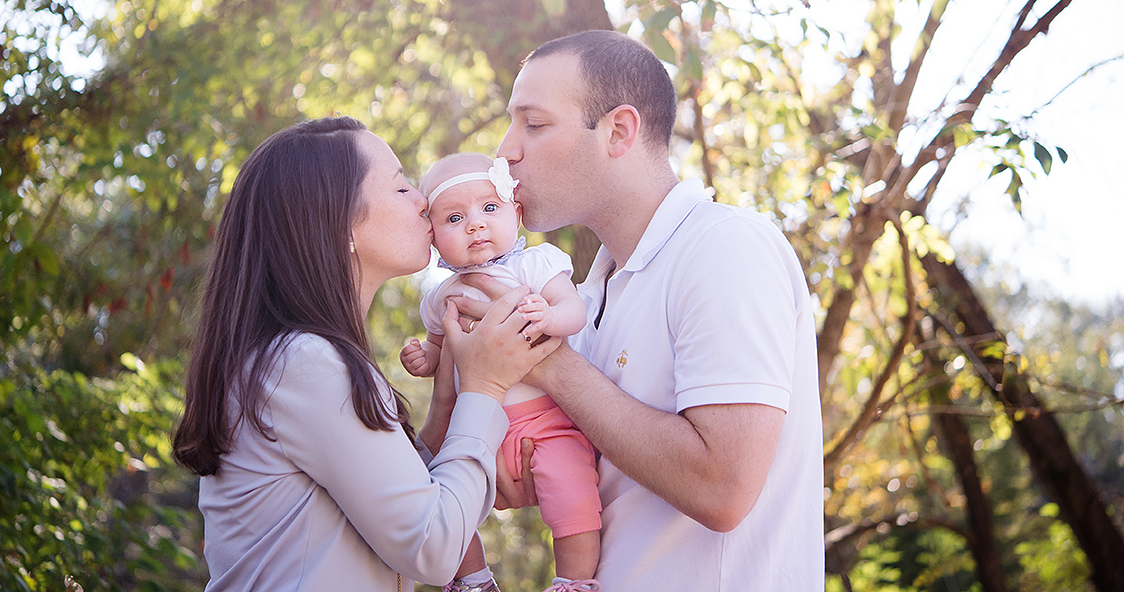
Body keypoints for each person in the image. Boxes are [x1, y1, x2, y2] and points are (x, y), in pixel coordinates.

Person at [458, 30, 825, 591]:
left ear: (619, 131)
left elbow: (720, 489)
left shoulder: (725, 247)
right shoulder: (588, 297)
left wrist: (547, 362)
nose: (506, 150)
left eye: (533, 124)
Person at [171, 116, 558, 591]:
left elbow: (398, 497)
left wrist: (446, 404)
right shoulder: (303, 363)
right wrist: (485, 388)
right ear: (339, 225)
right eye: (401, 189)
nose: (425, 202)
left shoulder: (299, 357)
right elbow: (431, 546)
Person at [400, 153, 601, 592]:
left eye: (489, 208)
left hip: (547, 422)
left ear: (517, 213)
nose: (475, 224)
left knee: (575, 498)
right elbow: (440, 349)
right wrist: (424, 359)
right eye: (455, 217)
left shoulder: (536, 266)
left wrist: (548, 318)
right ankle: (472, 579)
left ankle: (573, 581)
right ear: (434, 239)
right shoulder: (441, 296)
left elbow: (575, 310)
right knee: (448, 496)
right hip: (473, 428)